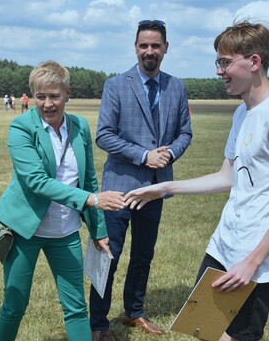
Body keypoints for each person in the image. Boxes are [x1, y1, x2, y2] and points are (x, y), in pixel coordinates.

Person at [124, 21, 269, 341]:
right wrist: (165, 187)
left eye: (225, 62)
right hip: (224, 245)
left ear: (254, 62)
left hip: (253, 258)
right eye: (219, 62)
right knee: (203, 327)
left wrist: (251, 264)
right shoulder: (242, 114)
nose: (219, 71)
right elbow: (228, 177)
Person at [0, 60, 125, 341]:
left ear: (67, 94)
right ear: (32, 96)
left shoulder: (80, 126)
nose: (47, 104)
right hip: (23, 229)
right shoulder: (21, 127)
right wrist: (91, 199)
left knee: (76, 308)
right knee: (15, 305)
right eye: (41, 96)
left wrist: (98, 230)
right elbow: (36, 182)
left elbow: (88, 179)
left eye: (54, 95)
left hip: (65, 232)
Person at [90, 20, 192, 340]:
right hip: (119, 186)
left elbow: (185, 133)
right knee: (108, 254)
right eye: (144, 45)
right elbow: (104, 136)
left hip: (154, 188)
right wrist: (143, 155)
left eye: (156, 45)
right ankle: (97, 323)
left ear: (165, 48)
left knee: (143, 255)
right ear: (135, 48)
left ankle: (134, 312)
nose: (150, 51)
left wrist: (169, 155)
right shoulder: (116, 85)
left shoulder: (176, 86)